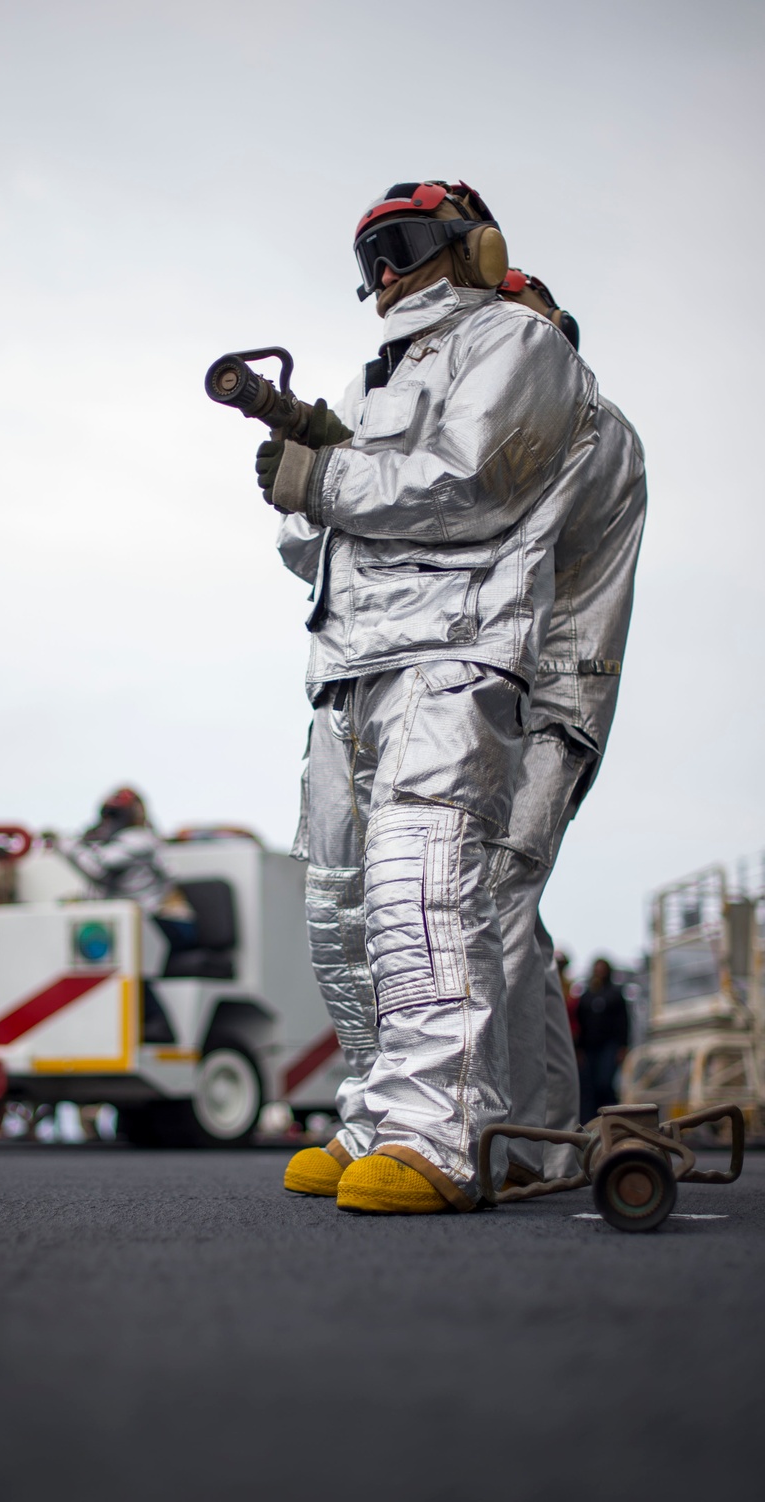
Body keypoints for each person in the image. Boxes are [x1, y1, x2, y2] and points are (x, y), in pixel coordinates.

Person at [264, 181, 599, 1213]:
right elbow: (321, 542)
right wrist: (307, 488)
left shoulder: (515, 342)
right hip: (355, 666)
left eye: (405, 244)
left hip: (458, 657)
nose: (386, 273)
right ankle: (376, 1112)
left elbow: (467, 484)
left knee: (431, 890)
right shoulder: (388, 378)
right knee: (341, 905)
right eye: (370, 256)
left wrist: (323, 483)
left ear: (475, 247)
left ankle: (443, 1131)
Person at [481, 268, 646, 1181]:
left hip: (555, 709)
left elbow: (497, 532)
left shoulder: (591, 432)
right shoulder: (562, 428)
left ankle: (489, 1134)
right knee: (522, 917)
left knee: (493, 899)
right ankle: (547, 1141)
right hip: (528, 703)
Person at [60, 788, 197, 952]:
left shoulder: (140, 839)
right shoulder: (107, 843)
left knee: (124, 937)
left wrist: (66, 845)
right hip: (128, 922)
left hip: (158, 924)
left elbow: (99, 867)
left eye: (116, 814)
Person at [577, 957, 630, 1120]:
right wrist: (579, 1048)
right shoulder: (586, 996)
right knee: (589, 1085)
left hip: (609, 1045)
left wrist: (623, 1046)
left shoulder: (615, 995)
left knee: (604, 1082)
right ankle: (592, 1120)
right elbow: (580, 1023)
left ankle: (612, 1116)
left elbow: (624, 1022)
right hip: (590, 1047)